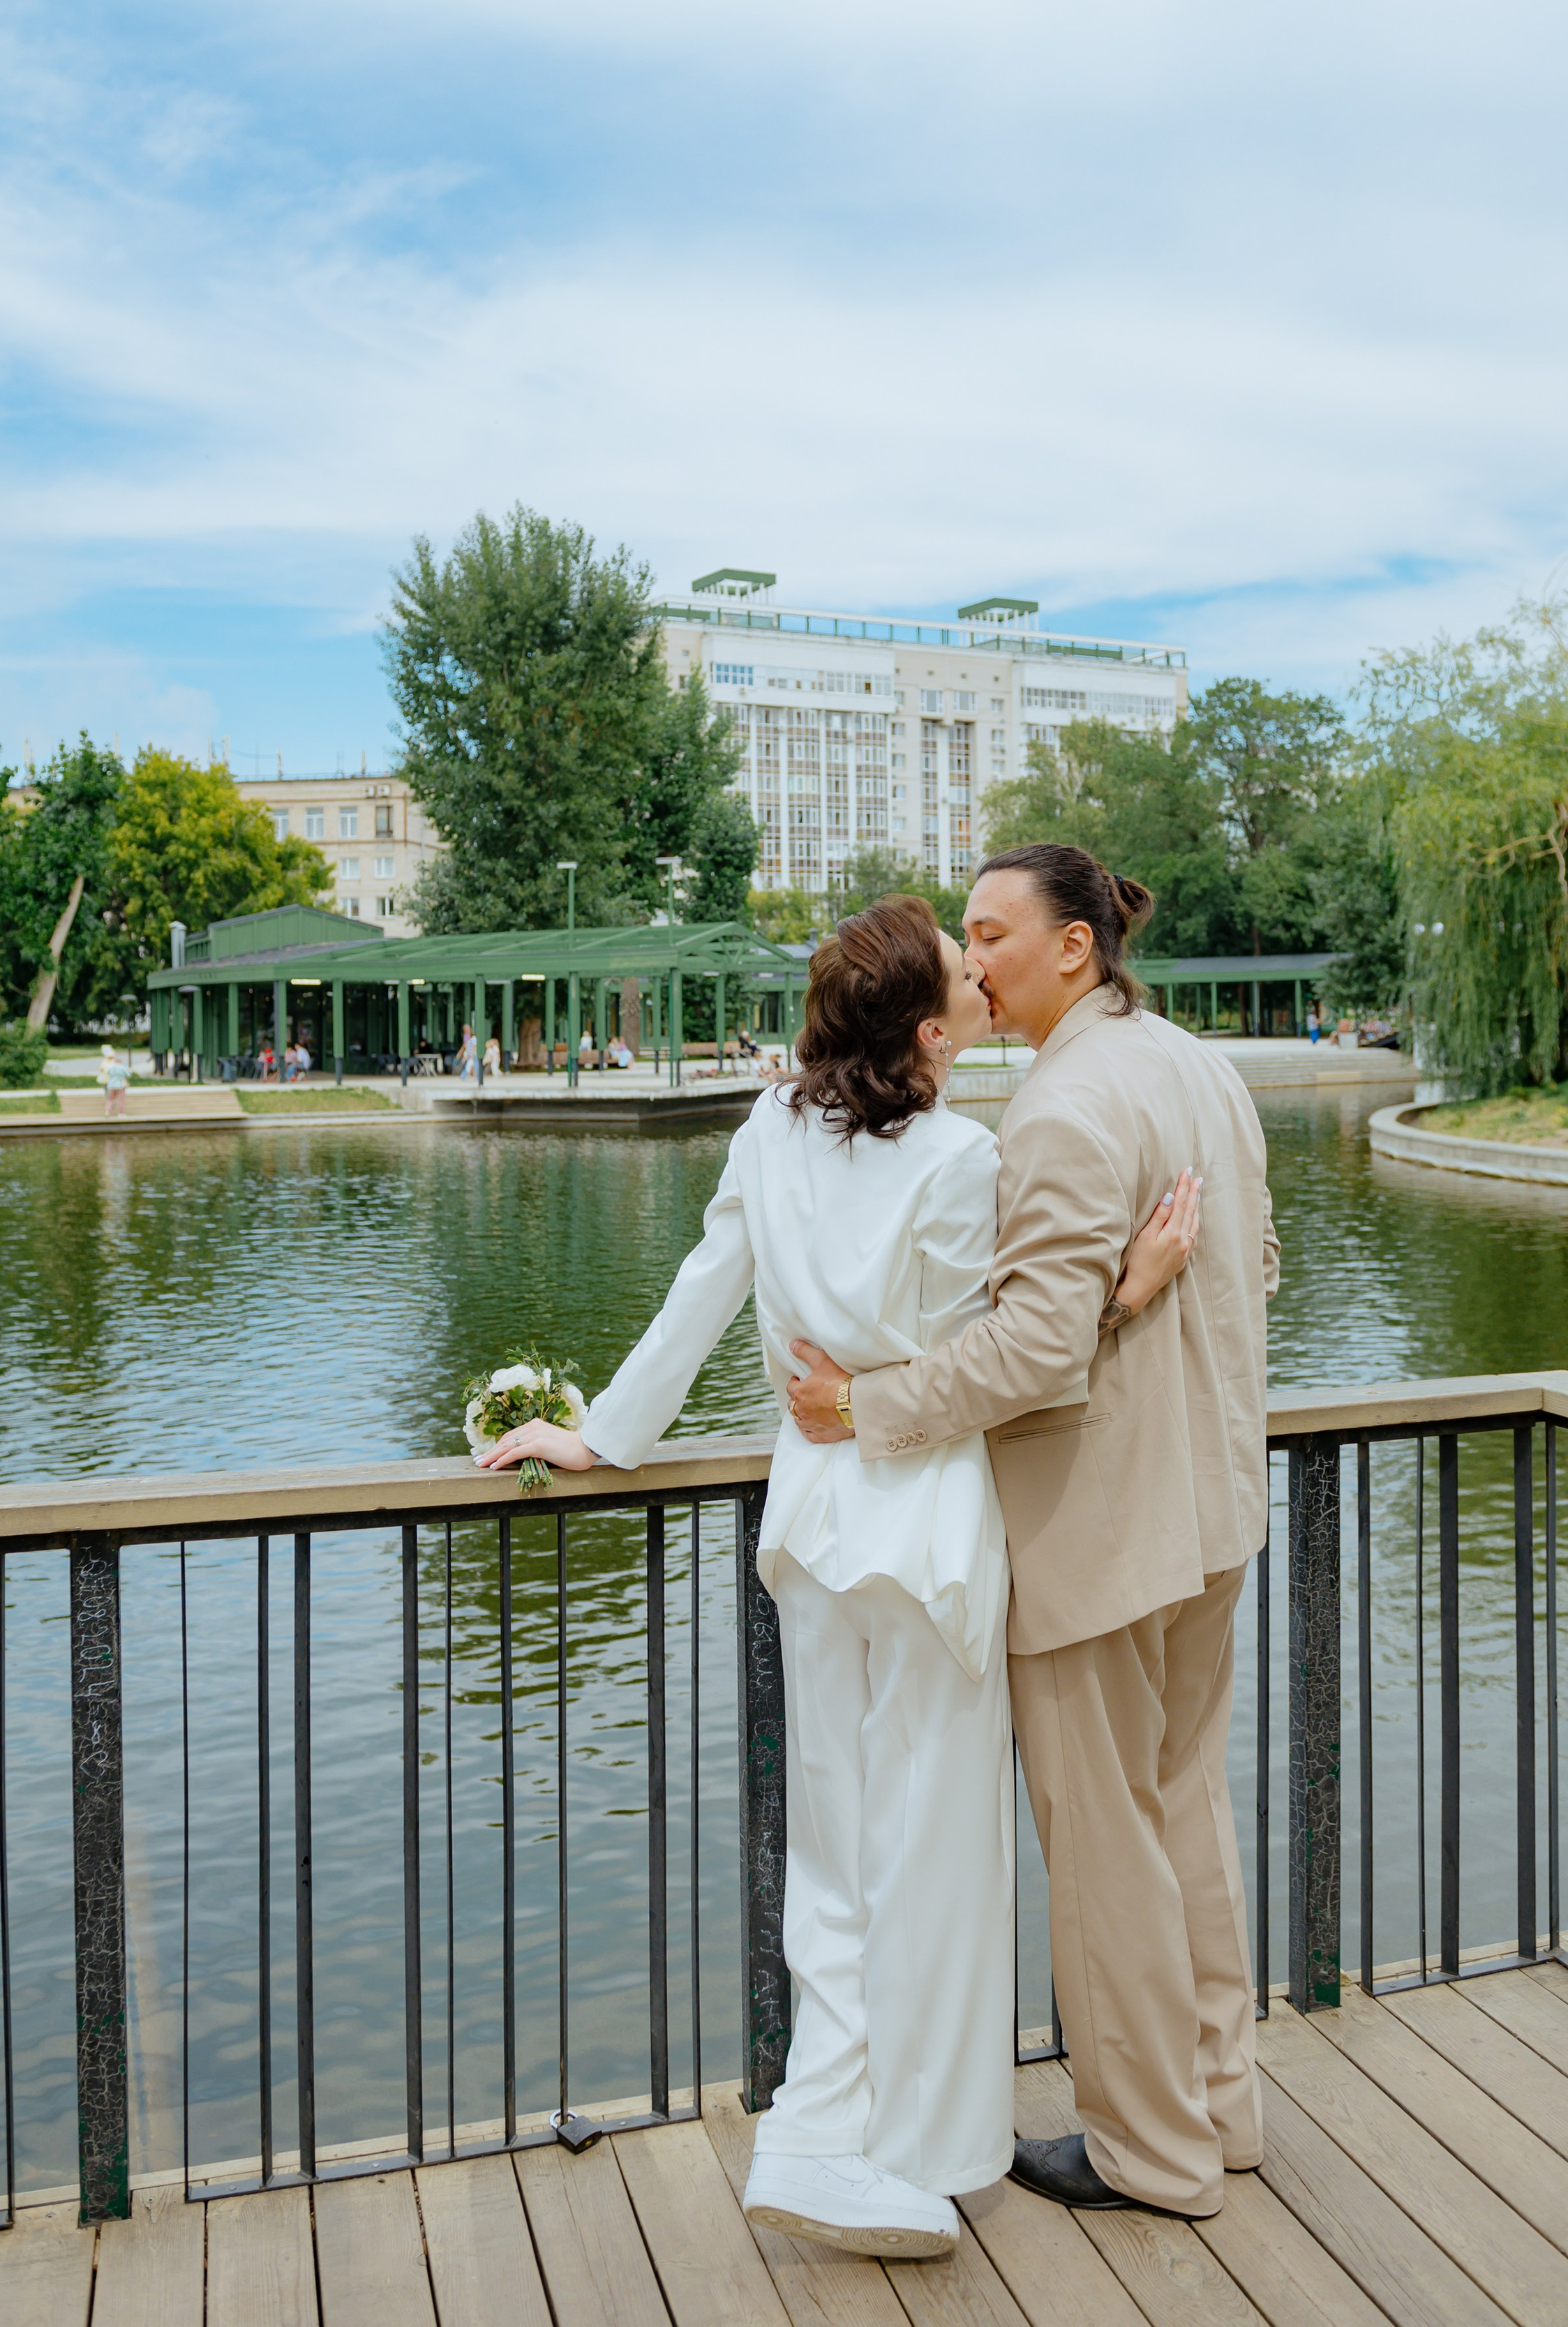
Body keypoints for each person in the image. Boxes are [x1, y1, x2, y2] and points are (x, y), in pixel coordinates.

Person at [474, 894, 1197, 2260]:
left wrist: (602, 1436)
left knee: (831, 1848)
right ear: (925, 1029)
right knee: (931, 1855)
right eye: (957, 976)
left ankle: (813, 2129)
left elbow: (699, 1293)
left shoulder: (768, 1131)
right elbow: (1012, 1358)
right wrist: (1127, 1288)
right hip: (925, 1535)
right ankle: (916, 2159)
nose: (979, 985)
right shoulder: (966, 1158)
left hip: (808, 1531)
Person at [789, 844, 1275, 2224]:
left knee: (1103, 1849)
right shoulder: (1198, 1067)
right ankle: (1219, 2109)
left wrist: (859, 1402)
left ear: (1072, 949)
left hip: (1097, 1533)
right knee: (1182, 1810)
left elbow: (1029, 1353)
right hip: (1210, 1512)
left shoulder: (1060, 1110)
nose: (971, 954)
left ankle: (1148, 2152)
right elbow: (1257, 1271)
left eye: (991, 932)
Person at [99, 1042, 128, 1118]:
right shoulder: (121, 1068)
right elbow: (127, 1074)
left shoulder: (110, 1067)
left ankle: (107, 1111)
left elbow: (104, 1070)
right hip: (120, 1085)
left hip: (111, 1084)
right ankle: (120, 1113)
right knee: (120, 1099)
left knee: (110, 1099)